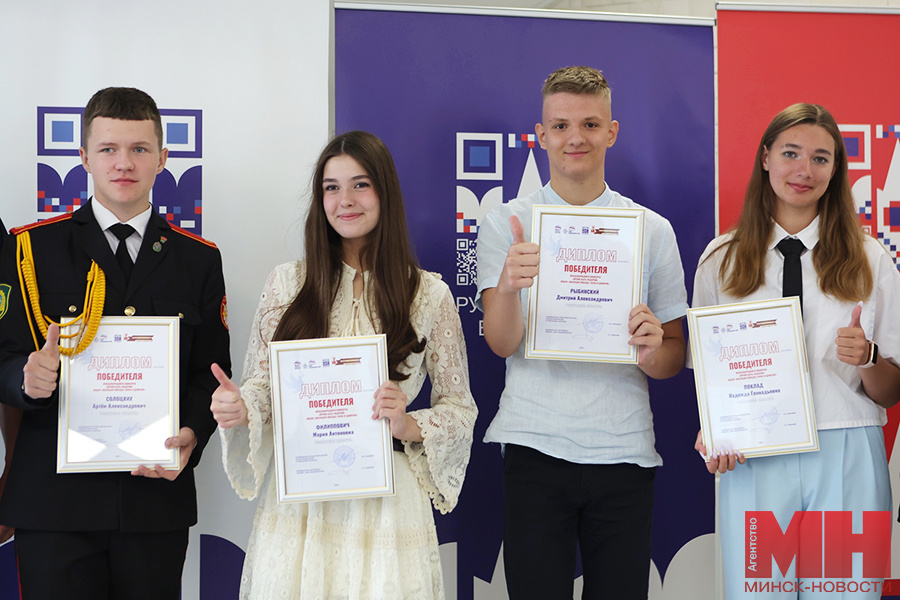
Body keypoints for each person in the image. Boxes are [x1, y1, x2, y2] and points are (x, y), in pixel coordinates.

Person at [210, 130, 477, 599]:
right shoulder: (287, 284)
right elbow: (262, 385)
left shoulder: (428, 294)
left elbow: (459, 408)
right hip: (303, 502)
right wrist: (242, 407)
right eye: (331, 188)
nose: (345, 200)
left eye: (360, 185)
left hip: (388, 502)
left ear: (385, 192)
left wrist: (408, 423)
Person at [0, 87, 231, 599]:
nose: (123, 163)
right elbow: (4, 356)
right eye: (108, 149)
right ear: (84, 157)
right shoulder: (29, 248)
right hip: (54, 505)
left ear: (162, 159)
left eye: (139, 149)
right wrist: (23, 379)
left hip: (153, 502)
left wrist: (193, 433)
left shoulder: (197, 259)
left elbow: (209, 373)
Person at [475, 65, 687, 599]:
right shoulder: (507, 222)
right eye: (561, 125)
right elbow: (500, 343)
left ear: (611, 132)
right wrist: (508, 285)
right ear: (541, 134)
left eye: (590, 125)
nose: (576, 138)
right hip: (533, 444)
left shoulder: (651, 230)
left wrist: (651, 348)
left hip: (623, 450)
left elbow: (672, 358)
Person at [694, 103, 900, 598]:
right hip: (757, 459)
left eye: (821, 158)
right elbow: (710, 375)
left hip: (846, 454)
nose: (804, 170)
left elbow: (891, 391)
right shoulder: (721, 260)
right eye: (791, 153)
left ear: (835, 170)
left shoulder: (870, 258)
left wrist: (868, 357)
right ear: (766, 157)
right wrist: (715, 431)